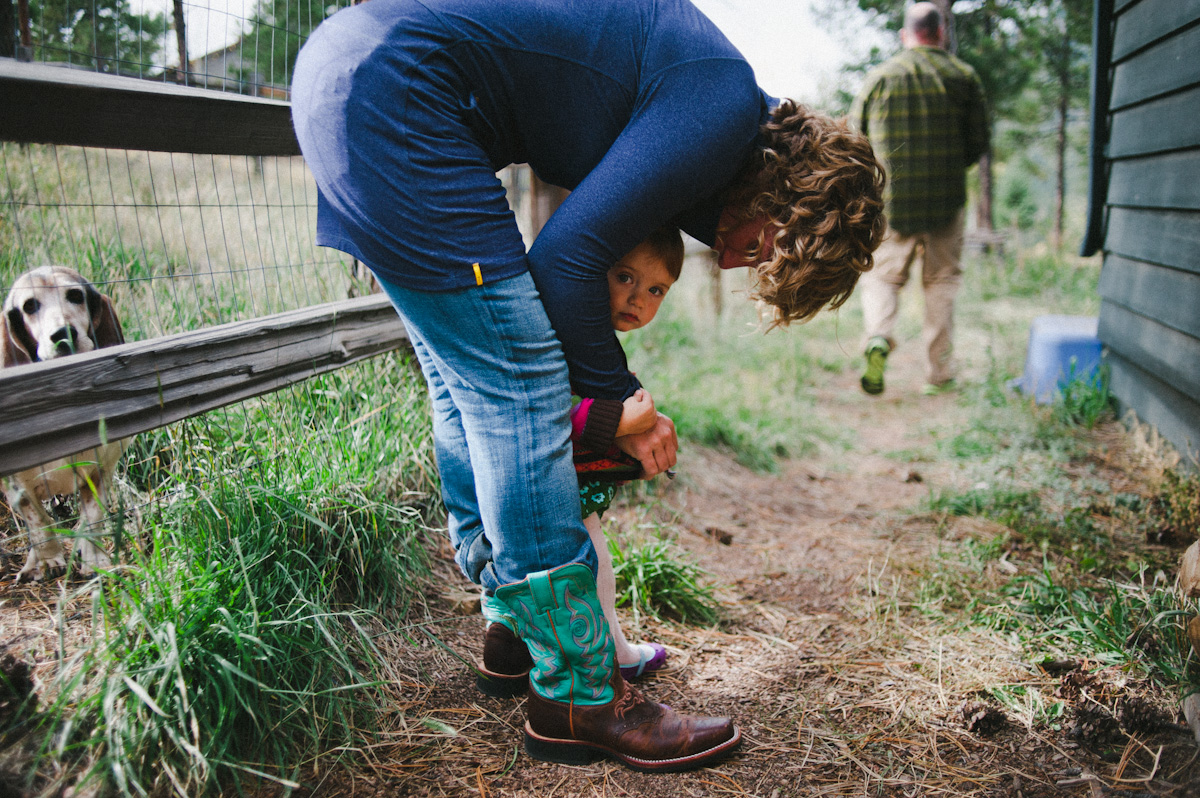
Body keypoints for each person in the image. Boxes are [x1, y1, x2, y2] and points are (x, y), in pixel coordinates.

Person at [291, 0, 884, 772]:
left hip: (348, 79)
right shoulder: (722, 106)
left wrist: (609, 405)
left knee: (465, 382)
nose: (738, 263)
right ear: (791, 201)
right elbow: (568, 262)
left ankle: (514, 626)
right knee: (522, 386)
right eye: (768, 250)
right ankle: (578, 691)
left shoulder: (714, 102)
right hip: (399, 98)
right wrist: (623, 406)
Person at [476, 229, 682, 700]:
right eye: (625, 277)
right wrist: (619, 421)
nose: (637, 298)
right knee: (587, 563)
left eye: (656, 289)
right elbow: (551, 417)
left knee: (519, 562)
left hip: (525, 482)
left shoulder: (583, 337)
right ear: (591, 273)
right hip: (551, 484)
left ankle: (506, 645)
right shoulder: (563, 337)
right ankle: (613, 650)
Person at [850, 2, 989, 396]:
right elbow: (978, 142)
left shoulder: (880, 78)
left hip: (891, 203)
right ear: (941, 32)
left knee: (882, 276)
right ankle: (939, 373)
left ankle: (878, 336)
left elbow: (854, 140)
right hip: (947, 200)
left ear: (905, 35)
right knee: (941, 282)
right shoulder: (963, 77)